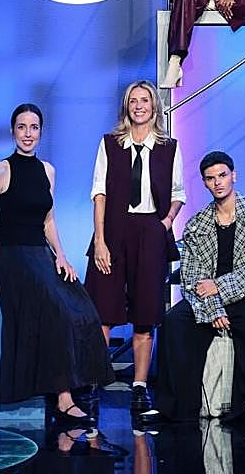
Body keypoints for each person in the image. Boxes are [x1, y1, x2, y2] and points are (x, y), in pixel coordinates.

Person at [0, 103, 112, 423]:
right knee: (55, 311)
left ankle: (82, 383)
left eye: (34, 127)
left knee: (82, 308)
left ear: (41, 131)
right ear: (12, 131)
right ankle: (64, 397)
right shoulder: (1, 170)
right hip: (12, 256)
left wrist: (62, 256)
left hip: (42, 254)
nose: (28, 134)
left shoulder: (48, 171)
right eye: (22, 127)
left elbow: (48, 221)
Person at [143, 151, 245, 425]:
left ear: (233, 176)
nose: (217, 182)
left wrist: (218, 287)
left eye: (222, 175)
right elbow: (192, 275)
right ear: (205, 183)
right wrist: (214, 308)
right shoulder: (197, 224)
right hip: (206, 298)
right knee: (173, 323)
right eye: (210, 178)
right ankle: (171, 407)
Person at [84, 80, 186, 414]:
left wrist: (165, 223)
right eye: (133, 101)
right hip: (114, 231)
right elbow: (99, 194)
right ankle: (94, 381)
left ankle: (140, 387)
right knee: (103, 311)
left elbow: (178, 193)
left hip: (150, 232)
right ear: (126, 107)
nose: (139, 106)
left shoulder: (168, 147)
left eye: (144, 100)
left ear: (154, 106)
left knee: (146, 314)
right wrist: (99, 240)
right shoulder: (110, 144)